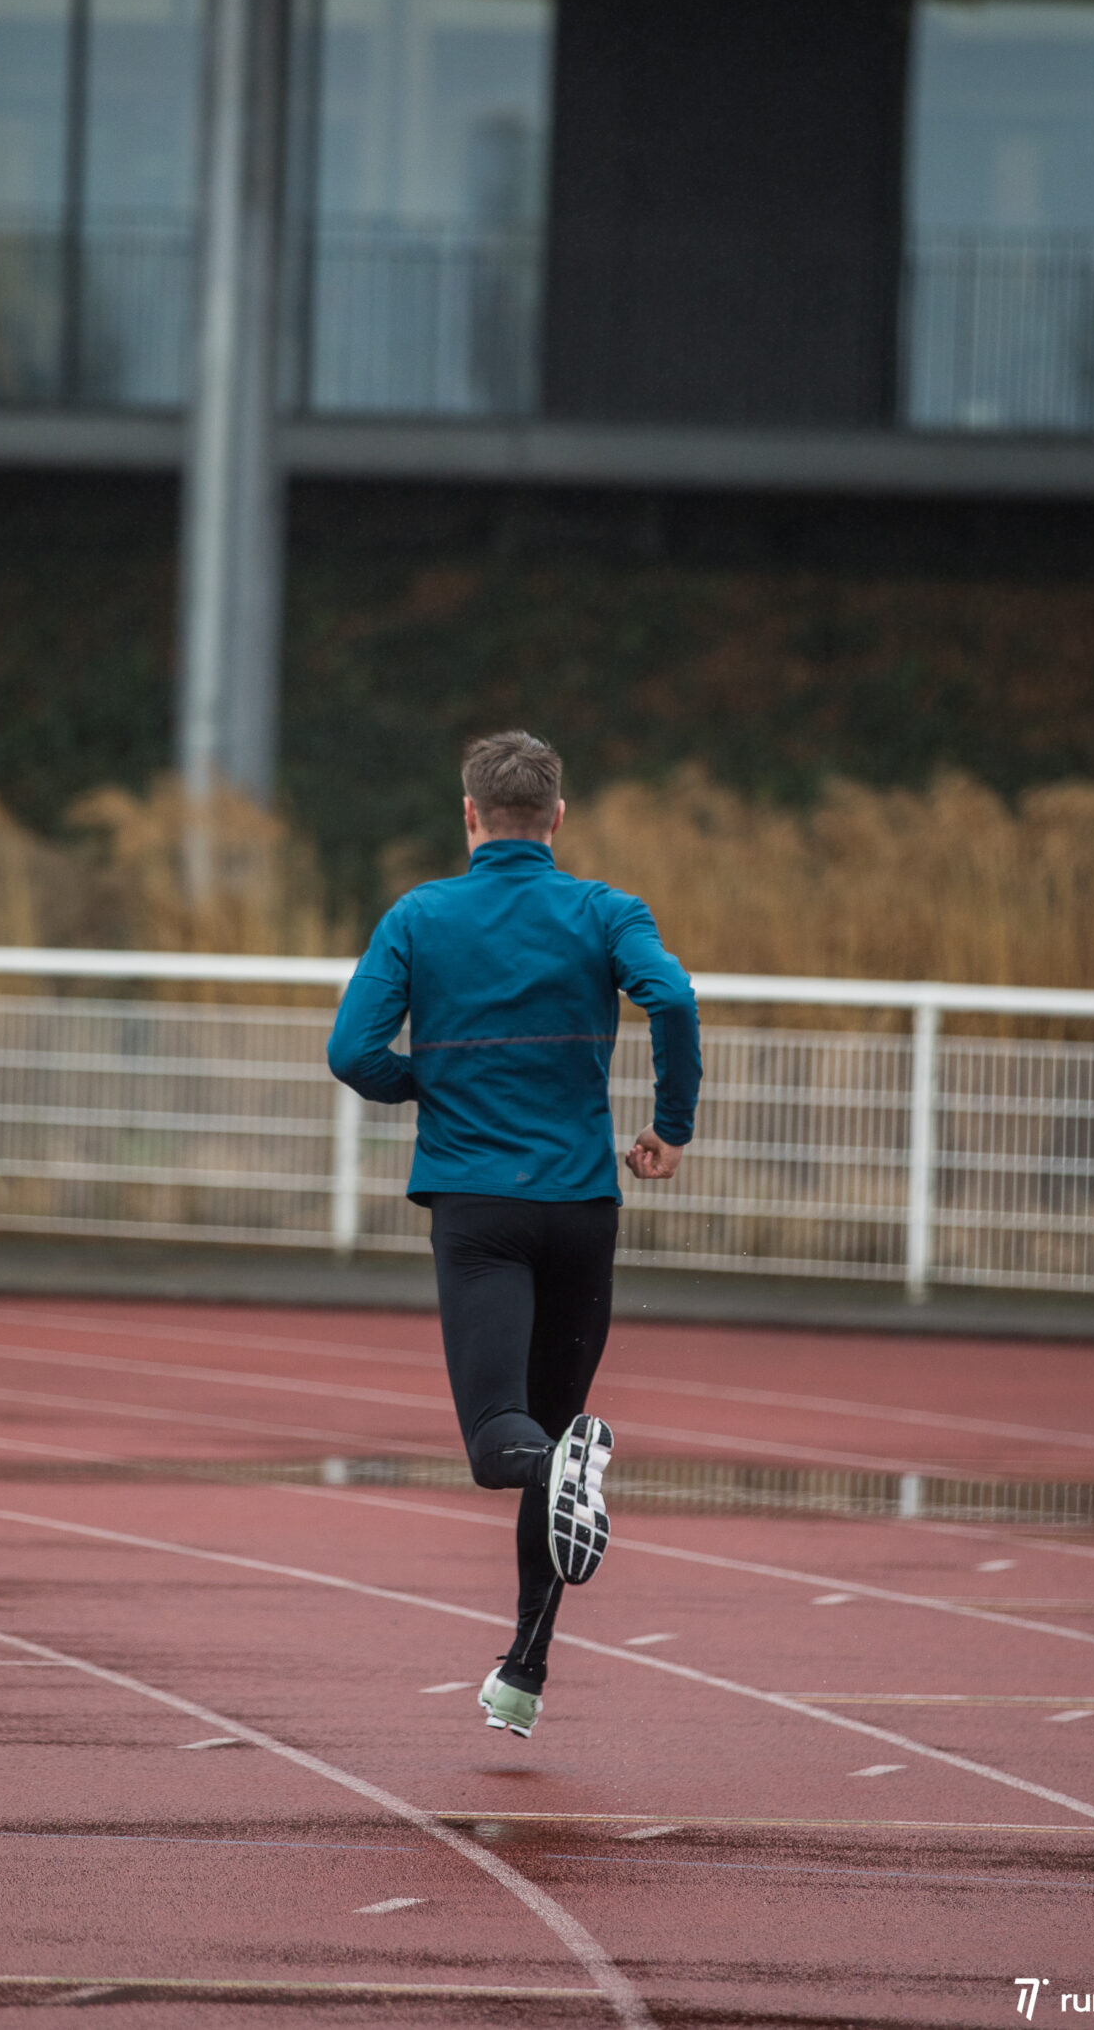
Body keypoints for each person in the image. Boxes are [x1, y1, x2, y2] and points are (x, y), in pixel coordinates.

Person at [327, 730, 701, 1737]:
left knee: (507, 1449)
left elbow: (351, 1052)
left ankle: (553, 1515)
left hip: (478, 1210)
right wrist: (670, 1124)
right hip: (581, 1208)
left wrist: (430, 1083)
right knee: (553, 1444)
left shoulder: (419, 915)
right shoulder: (604, 911)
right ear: (557, 817)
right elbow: (668, 992)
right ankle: (525, 1673)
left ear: (468, 814)